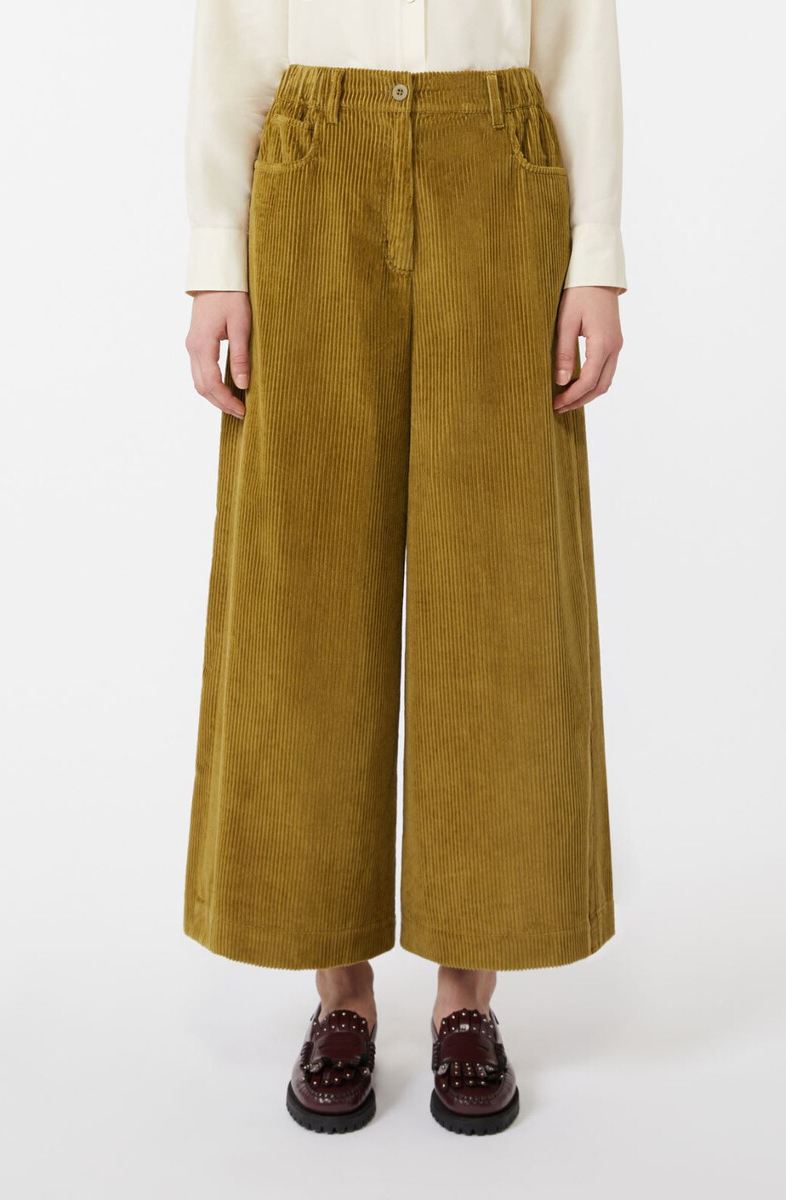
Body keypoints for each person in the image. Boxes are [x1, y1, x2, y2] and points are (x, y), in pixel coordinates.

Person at [182, 0, 626, 1136]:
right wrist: (215, 262)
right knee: (306, 586)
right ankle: (340, 992)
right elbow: (233, 36)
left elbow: (579, 33)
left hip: (500, 163)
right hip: (314, 160)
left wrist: (598, 261)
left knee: (500, 589)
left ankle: (467, 997)